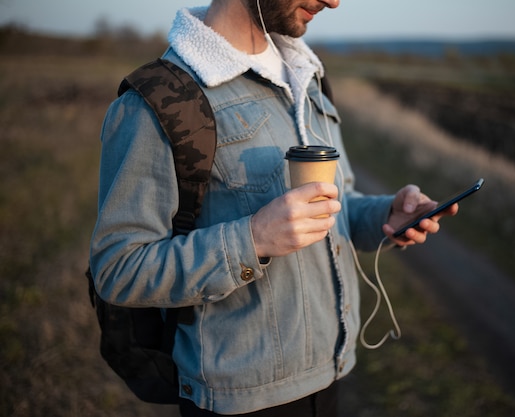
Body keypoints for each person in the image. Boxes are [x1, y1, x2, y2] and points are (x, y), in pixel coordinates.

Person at [89, 1, 458, 416]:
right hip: (240, 401)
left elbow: (336, 204)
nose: (334, 1)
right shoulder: (158, 101)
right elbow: (118, 268)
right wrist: (254, 239)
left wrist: (385, 215)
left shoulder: (306, 76)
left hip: (331, 376)